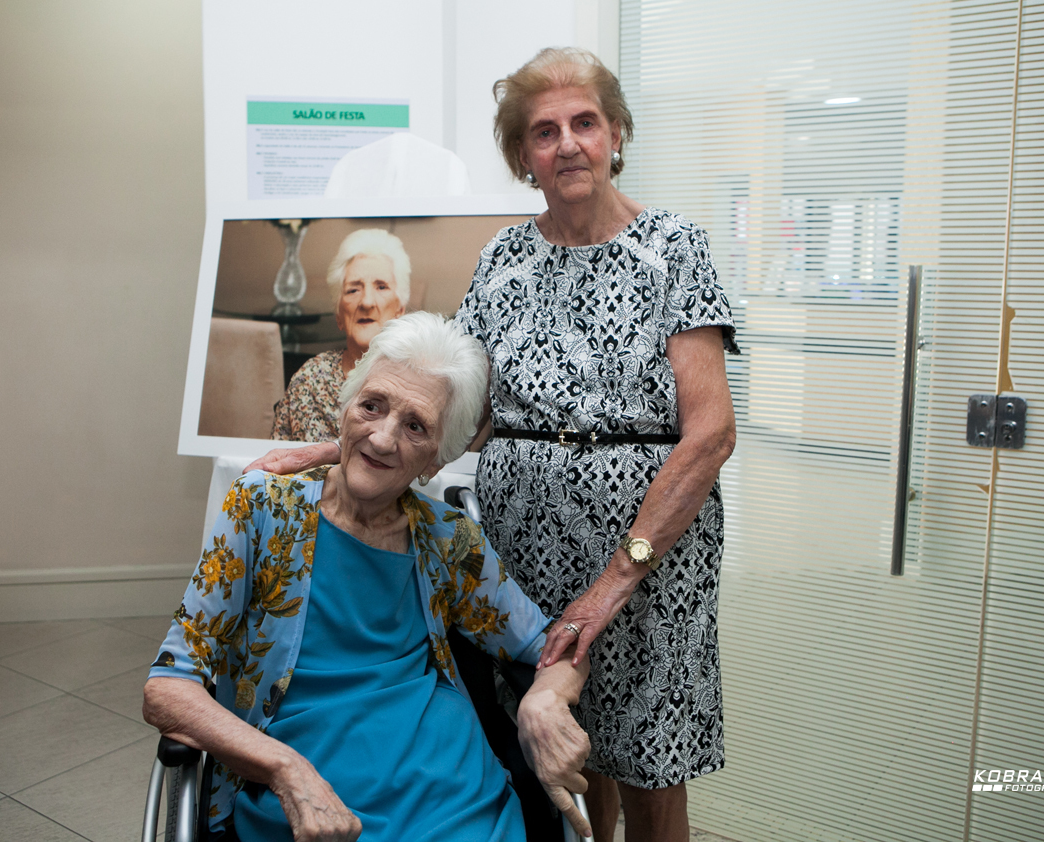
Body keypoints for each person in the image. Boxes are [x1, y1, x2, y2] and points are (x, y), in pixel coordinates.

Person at [249, 47, 738, 842]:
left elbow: (711, 434)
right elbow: (458, 408)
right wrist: (340, 451)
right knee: (562, 763)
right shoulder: (504, 257)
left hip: (652, 561)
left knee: (649, 769)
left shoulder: (673, 248)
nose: (568, 143)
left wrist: (616, 581)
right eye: (544, 132)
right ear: (523, 157)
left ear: (616, 134)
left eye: (585, 122)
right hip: (529, 554)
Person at [147, 312, 593, 842]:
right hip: (305, 793)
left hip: (452, 793)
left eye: (415, 425)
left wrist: (545, 697)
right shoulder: (262, 508)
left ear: (436, 458)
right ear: (344, 410)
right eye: (372, 406)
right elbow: (167, 689)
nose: (381, 439)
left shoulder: (447, 539)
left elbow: (555, 647)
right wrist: (285, 770)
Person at [271, 228, 410, 441]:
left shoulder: (418, 384)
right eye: (353, 290)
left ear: (400, 310)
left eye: (381, 287)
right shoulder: (310, 380)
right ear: (339, 315)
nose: (366, 302)